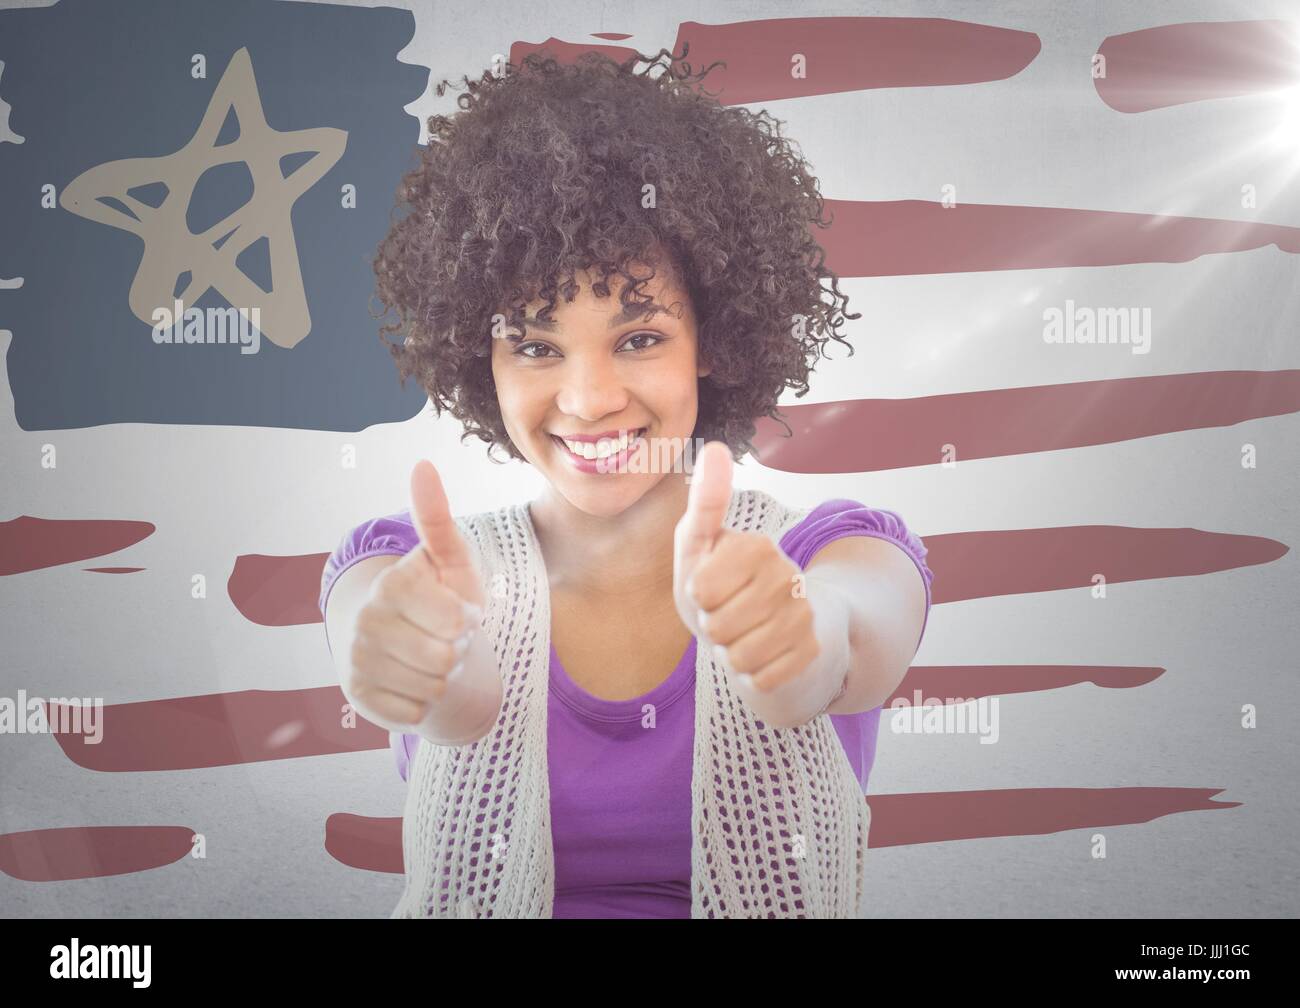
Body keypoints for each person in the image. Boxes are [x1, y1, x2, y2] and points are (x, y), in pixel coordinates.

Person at [318, 46, 933, 919]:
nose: (589, 398)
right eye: (534, 345)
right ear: (478, 360)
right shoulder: (406, 572)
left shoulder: (834, 550)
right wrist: (435, 671)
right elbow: (447, 699)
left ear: (713, 338)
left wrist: (804, 640)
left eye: (639, 337)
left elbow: (849, 645)